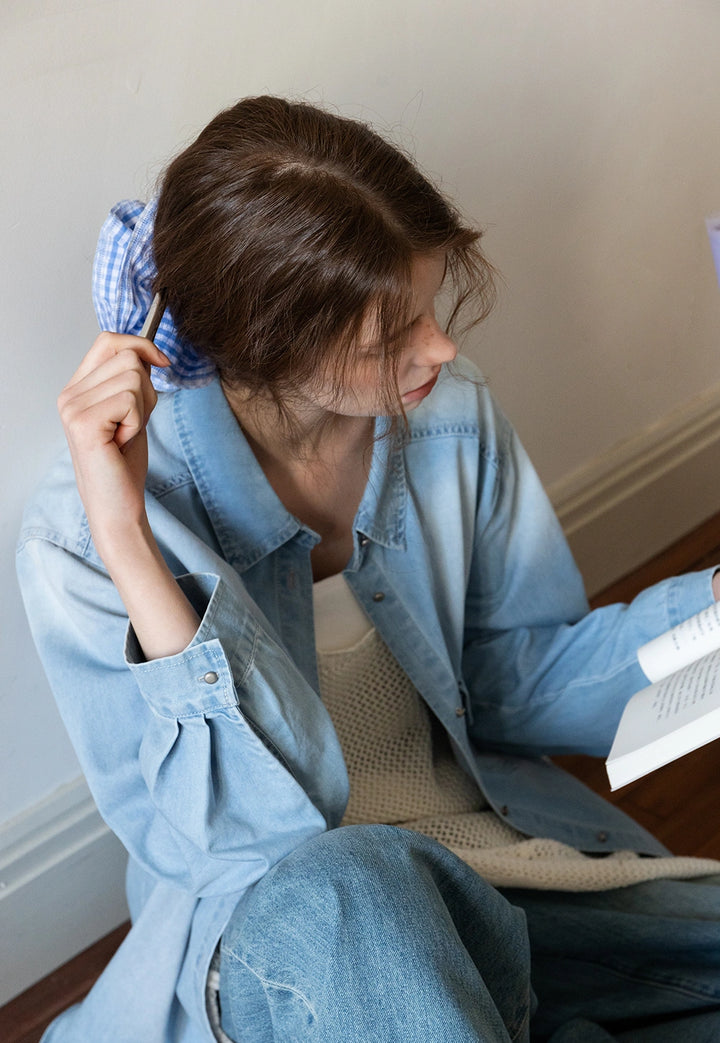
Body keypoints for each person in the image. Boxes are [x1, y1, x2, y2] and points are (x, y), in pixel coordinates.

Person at [17, 95, 720, 1043]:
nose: (441, 347)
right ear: (262, 343)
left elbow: (515, 677)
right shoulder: (80, 537)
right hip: (301, 931)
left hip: (501, 885)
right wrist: (131, 542)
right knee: (357, 878)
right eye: (391, 335)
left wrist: (712, 613)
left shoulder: (448, 413)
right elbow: (247, 849)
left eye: (429, 306)